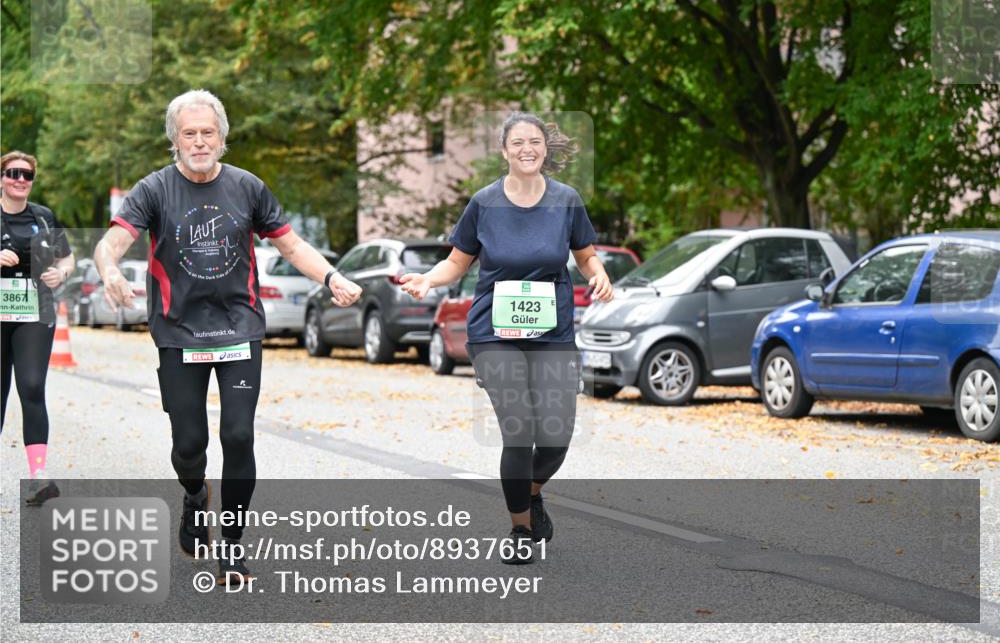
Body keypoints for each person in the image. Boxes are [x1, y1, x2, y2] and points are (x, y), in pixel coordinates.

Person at [94, 89, 362, 585]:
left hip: (239, 330)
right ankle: (195, 494)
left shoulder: (248, 187)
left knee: (238, 436)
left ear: (222, 137)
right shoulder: (154, 189)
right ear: (175, 139)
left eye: (208, 133)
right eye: (189, 133)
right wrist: (109, 269)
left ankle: (232, 546)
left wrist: (332, 277)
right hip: (178, 332)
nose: (199, 142)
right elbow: (112, 242)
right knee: (189, 443)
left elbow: (293, 244)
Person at [400, 112, 613, 564]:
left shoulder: (566, 200)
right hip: (494, 333)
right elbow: (457, 262)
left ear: (544, 148)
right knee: (519, 431)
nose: (526, 149)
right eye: (517, 143)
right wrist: (427, 281)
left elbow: (587, 257)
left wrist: (600, 276)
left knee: (556, 437)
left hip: (552, 331)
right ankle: (519, 530)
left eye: (534, 141)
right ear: (504, 151)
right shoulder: (484, 202)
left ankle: (531, 494)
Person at [1, 151, 76, 506]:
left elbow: (67, 256)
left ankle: (38, 477)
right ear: (2, 177)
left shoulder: (43, 217)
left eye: (26, 175)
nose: (20, 179)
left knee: (31, 388)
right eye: (13, 173)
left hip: (34, 312)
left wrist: (61, 272)